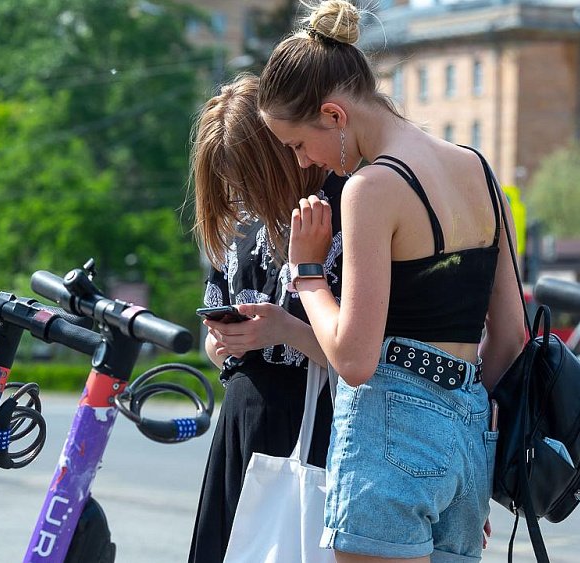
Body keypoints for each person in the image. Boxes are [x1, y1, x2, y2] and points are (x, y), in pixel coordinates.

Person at [257, 1, 527, 562]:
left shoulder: (372, 188)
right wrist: (458, 439)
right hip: (468, 437)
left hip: (389, 433)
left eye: (299, 145)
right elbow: (510, 337)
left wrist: (307, 272)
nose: (305, 163)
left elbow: (355, 359)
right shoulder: (481, 172)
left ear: (334, 115)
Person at [186, 74, 346, 563]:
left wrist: (285, 330)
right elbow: (213, 341)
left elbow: (364, 356)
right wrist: (224, 341)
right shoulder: (241, 223)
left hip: (313, 422)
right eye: (231, 183)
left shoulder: (342, 209)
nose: (241, 194)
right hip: (241, 421)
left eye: (246, 179)